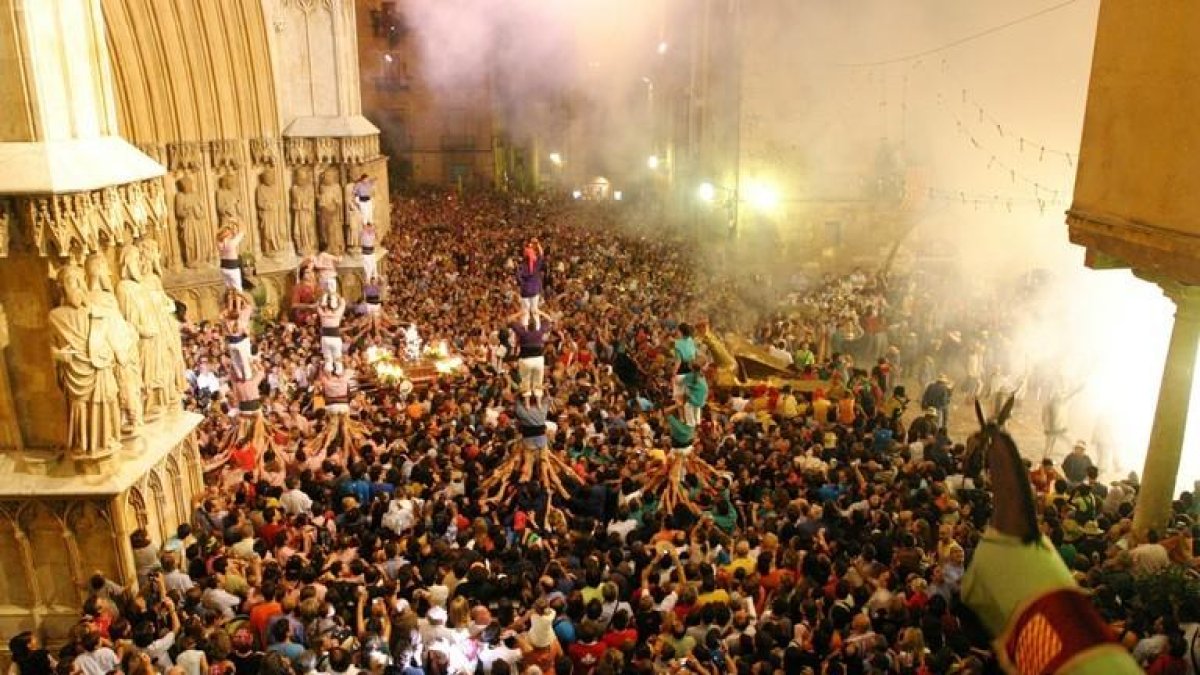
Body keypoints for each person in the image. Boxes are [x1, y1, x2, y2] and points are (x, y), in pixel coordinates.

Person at [516, 238, 545, 329]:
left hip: (525, 291)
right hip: (534, 290)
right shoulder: (536, 264)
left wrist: (523, 284)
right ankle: (537, 327)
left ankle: (524, 327)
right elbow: (541, 254)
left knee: (525, 310)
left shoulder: (521, 266)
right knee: (534, 309)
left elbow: (518, 278)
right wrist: (538, 243)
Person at [217, 224, 246, 290]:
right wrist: (235, 222)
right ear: (228, 235)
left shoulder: (219, 243)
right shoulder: (232, 243)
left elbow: (218, 236)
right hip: (232, 268)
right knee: (238, 289)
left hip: (224, 267)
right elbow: (242, 232)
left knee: (229, 289)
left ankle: (229, 296)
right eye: (231, 233)